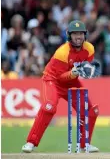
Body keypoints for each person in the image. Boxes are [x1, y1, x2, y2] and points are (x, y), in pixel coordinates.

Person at [22, 20, 101, 153]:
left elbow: (86, 67)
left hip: (71, 81)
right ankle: (31, 142)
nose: (78, 37)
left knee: (89, 111)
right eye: (75, 34)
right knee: (49, 107)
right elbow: (60, 77)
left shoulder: (90, 49)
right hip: (53, 80)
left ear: (85, 35)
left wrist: (86, 71)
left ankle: (84, 144)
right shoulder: (62, 52)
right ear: (69, 36)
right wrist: (75, 72)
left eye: (81, 34)